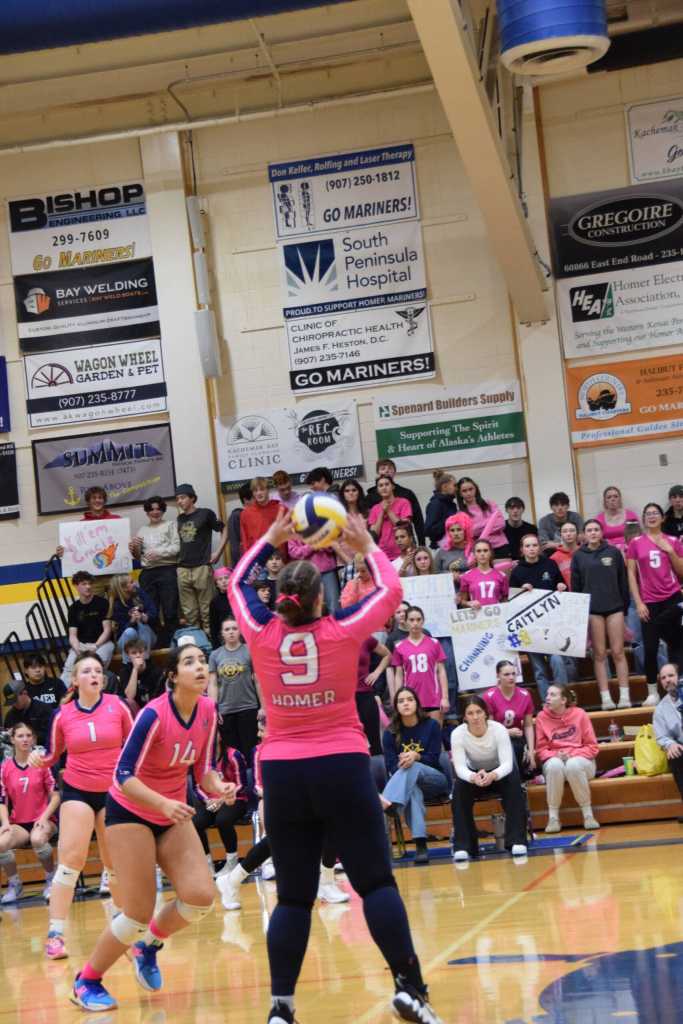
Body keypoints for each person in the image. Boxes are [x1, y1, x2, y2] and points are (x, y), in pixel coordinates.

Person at [228, 508, 444, 1024]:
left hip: (281, 772)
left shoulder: (259, 634)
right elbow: (391, 592)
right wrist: (367, 543)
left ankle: (281, 1010)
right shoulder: (343, 629)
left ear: (280, 602)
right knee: (375, 884)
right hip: (342, 765)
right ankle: (409, 987)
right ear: (320, 599)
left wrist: (269, 540)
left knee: (294, 899)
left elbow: (235, 583)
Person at [69, 644, 235, 1011]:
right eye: (190, 662)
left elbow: (202, 770)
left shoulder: (208, 710)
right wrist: (162, 803)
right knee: (136, 914)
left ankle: (148, 946)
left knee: (200, 897)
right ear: (173, 676)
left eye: (203, 661)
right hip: (130, 811)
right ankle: (86, 981)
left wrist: (218, 785)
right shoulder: (153, 715)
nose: (200, 667)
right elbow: (122, 775)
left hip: (170, 812)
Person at [29, 653, 134, 960]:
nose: (94, 675)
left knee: (113, 863)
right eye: (86, 671)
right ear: (74, 680)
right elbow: (52, 755)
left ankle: (123, 929)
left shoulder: (118, 706)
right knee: (71, 860)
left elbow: (133, 746)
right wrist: (39, 760)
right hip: (77, 789)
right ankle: (55, 934)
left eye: (98, 671)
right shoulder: (62, 715)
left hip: (113, 791)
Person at [450, 695, 527, 862]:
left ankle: (516, 841)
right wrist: (473, 777)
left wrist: (493, 775)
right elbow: (460, 767)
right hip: (474, 774)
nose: (475, 717)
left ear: (485, 713)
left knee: (514, 784)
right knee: (459, 790)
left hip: (499, 772)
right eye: (470, 713)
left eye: (478, 712)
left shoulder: (498, 729)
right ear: (464, 717)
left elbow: (507, 763)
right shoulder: (457, 734)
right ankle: (464, 845)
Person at [381, 688, 450, 865]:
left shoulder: (431, 725)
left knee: (412, 767)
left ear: (417, 703)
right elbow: (390, 767)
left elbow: (435, 758)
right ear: (396, 707)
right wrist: (403, 762)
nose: (406, 703)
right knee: (413, 791)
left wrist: (416, 757)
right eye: (401, 700)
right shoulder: (390, 733)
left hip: (435, 780)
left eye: (410, 699)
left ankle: (390, 802)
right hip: (408, 784)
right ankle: (421, 846)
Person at [571, 519, 632, 710]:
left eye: (596, 529)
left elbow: (623, 581)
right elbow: (576, 586)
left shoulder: (613, 552)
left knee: (618, 652)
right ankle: (605, 698)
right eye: (589, 530)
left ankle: (624, 696)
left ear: (602, 532)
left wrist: (624, 607)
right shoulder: (578, 556)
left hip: (614, 608)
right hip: (593, 610)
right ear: (584, 534)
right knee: (598, 654)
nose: (593, 533)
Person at [626, 503, 683, 700]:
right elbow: (631, 575)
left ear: (662, 517)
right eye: (648, 513)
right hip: (649, 601)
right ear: (643, 518)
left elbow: (681, 572)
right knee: (649, 647)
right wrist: (639, 602)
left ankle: (679, 687)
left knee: (676, 644)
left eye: (655, 513)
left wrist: (671, 551)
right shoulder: (635, 543)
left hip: (672, 598)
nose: (651, 516)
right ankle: (652, 692)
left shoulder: (673, 541)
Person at [0, 722, 60, 903]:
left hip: (44, 819)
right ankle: (15, 885)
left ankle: (51, 880)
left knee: (37, 839)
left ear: (33, 739)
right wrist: (5, 824)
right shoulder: (5, 767)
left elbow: (56, 796)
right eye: (20, 736)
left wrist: (43, 817)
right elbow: (2, 801)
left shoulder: (42, 763)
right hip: (19, 823)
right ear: (12, 740)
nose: (25, 739)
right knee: (1, 842)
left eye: (28, 736)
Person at [509, 535, 575, 700]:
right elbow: (512, 602)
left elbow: (561, 587)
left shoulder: (550, 564)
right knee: (539, 669)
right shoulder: (517, 571)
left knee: (557, 661)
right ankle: (547, 702)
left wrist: (562, 586)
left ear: (539, 547)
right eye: (527, 546)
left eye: (534, 545)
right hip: (531, 628)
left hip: (553, 625)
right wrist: (521, 591)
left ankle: (562, 698)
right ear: (522, 549)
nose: (531, 549)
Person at [535, 683, 599, 833]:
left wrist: (571, 755)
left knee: (572, 765)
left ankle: (588, 815)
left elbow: (592, 747)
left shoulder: (580, 714)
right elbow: (541, 750)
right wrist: (556, 755)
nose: (547, 698)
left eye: (552, 695)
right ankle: (553, 818)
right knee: (554, 765)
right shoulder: (541, 717)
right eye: (547, 695)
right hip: (556, 762)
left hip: (582, 761)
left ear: (563, 700)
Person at [176, 482, 227, 635]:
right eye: (177, 499)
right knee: (190, 613)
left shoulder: (205, 513)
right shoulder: (179, 519)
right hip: (183, 568)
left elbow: (224, 529)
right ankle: (198, 645)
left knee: (207, 611)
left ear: (192, 498)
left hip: (201, 567)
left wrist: (218, 552)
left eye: (183, 497)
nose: (179, 501)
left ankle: (212, 646)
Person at [129, 496, 180, 646]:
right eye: (152, 509)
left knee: (170, 610)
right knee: (151, 611)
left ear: (163, 510)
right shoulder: (142, 530)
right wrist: (134, 548)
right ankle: (157, 644)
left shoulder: (170, 525)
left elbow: (177, 548)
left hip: (167, 570)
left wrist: (159, 553)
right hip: (148, 572)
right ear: (147, 512)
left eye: (158, 509)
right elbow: (138, 557)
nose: (155, 512)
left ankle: (173, 644)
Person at [208, 617, 260, 760]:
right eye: (227, 629)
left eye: (234, 628)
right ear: (222, 633)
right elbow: (212, 684)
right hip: (225, 710)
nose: (231, 632)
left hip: (248, 707)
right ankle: (236, 782)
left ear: (240, 631)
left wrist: (263, 707)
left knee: (250, 750)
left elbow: (258, 680)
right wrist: (214, 708)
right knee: (232, 755)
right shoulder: (215, 655)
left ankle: (252, 780)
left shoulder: (249, 650)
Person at [192, 743, 249, 874]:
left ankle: (232, 861)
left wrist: (222, 799)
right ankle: (207, 863)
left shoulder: (233, 755)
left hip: (235, 798)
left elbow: (242, 784)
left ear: (219, 736)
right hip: (210, 800)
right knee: (195, 822)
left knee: (223, 820)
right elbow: (196, 787)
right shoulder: (201, 758)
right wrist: (207, 801)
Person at [390, 606, 449, 721]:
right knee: (415, 737)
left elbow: (441, 672)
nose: (415, 623)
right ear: (406, 622)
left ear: (423, 621)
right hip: (410, 700)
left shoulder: (434, 643)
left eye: (418, 619)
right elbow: (398, 675)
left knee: (434, 735)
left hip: (433, 698)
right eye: (411, 620)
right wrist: (399, 699)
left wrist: (445, 698)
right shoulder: (399, 646)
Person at [483, 660, 536, 777]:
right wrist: (506, 732)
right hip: (495, 739)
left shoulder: (525, 694)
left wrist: (531, 751)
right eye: (506, 674)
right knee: (509, 749)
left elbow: (528, 725)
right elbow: (488, 727)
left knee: (519, 749)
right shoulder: (489, 696)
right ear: (498, 676)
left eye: (513, 674)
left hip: (518, 739)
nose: (511, 677)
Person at [61, 571, 114, 685]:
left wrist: (95, 646)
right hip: (81, 645)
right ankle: (64, 699)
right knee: (68, 669)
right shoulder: (73, 608)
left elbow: (107, 630)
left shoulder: (102, 603)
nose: (88, 587)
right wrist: (77, 650)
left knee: (94, 665)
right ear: (76, 586)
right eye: (84, 584)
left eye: (90, 584)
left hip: (102, 643)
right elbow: (73, 635)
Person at [366, 458, 425, 545]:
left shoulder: (406, 494)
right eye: (383, 468)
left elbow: (418, 520)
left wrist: (422, 543)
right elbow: (370, 528)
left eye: (390, 468)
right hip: (382, 546)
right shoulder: (370, 497)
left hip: (405, 542)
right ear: (378, 472)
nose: (387, 470)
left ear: (394, 472)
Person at [653, 663, 683, 808]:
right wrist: (670, 744)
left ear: (679, 676)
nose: (667, 680)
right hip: (681, 745)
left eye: (671, 675)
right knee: (675, 755)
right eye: (663, 678)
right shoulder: (660, 709)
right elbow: (661, 736)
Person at [456, 477, 509, 559]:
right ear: (460, 494)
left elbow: (501, 523)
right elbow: (471, 532)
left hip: (500, 546)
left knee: (502, 572)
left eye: (471, 489)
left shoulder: (490, 504)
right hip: (481, 550)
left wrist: (477, 526)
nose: (468, 493)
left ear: (476, 489)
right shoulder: (460, 514)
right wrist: (490, 521)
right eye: (464, 491)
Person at [108, 574, 157, 663]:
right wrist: (131, 621)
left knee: (143, 626)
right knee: (130, 631)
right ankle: (127, 665)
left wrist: (144, 617)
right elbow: (119, 630)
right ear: (123, 588)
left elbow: (153, 612)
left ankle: (145, 662)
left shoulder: (139, 593)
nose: (135, 584)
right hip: (126, 640)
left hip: (148, 637)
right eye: (131, 582)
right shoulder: (116, 604)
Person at [356, 635, 392, 757]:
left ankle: (379, 773)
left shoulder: (366, 638)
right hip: (344, 699)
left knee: (374, 741)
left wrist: (376, 673)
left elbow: (387, 655)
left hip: (365, 694)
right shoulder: (335, 639)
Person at [367, 475, 413, 560]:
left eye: (387, 484)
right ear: (377, 490)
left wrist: (388, 511)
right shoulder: (374, 509)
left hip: (402, 553)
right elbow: (374, 534)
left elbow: (404, 527)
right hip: (382, 554)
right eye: (380, 485)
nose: (384, 487)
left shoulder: (403, 502)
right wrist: (381, 513)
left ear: (393, 486)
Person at [116, 638, 164, 713]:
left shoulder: (156, 670)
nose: (138, 655)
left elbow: (161, 697)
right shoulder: (125, 672)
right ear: (128, 655)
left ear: (145, 653)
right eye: (134, 653)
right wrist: (135, 669)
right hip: (135, 710)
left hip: (154, 708)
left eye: (141, 652)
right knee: (128, 702)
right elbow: (129, 697)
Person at [3, 680, 54, 747]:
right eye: (11, 702)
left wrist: (28, 734)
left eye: (15, 701)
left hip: (42, 750)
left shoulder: (44, 709)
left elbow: (52, 735)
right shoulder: (10, 716)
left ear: (25, 693)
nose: (14, 704)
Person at [459, 540, 509, 608]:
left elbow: (505, 601)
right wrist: (469, 603)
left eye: (485, 550)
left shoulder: (502, 575)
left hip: (497, 617)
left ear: (491, 553)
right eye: (478, 551)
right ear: (474, 554)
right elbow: (462, 601)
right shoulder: (466, 576)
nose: (482, 554)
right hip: (477, 616)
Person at [595, 486, 638, 553]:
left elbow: (637, 537)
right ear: (605, 501)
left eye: (615, 496)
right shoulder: (599, 519)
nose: (612, 499)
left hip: (628, 551)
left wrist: (624, 547)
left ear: (620, 499)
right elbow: (596, 539)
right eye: (609, 497)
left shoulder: (630, 515)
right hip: (607, 552)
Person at [425, 471, 458, 550]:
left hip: (450, 546)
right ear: (445, 487)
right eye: (454, 485)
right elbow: (428, 530)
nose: (456, 488)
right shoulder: (436, 504)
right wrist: (449, 521)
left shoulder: (451, 504)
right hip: (439, 548)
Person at [228, 483, 253, 566]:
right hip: (244, 564)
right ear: (246, 500)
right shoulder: (237, 516)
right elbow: (235, 547)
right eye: (254, 497)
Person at [550, 521, 579, 588]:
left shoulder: (585, 553)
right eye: (565, 531)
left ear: (577, 533)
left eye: (572, 531)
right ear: (560, 534)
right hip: (565, 595)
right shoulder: (553, 558)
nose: (568, 534)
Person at [209, 566, 233, 649]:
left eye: (226, 578)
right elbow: (214, 627)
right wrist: (216, 647)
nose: (224, 581)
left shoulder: (239, 596)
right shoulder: (215, 602)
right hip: (223, 641)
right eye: (220, 579)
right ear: (216, 584)